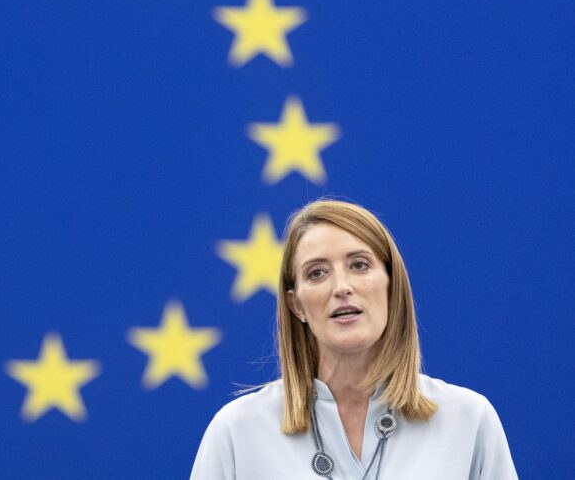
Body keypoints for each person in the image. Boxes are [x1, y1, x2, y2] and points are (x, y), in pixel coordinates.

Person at [190, 199, 517, 479]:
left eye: (359, 265)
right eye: (317, 273)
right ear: (296, 305)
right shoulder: (237, 431)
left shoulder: (468, 420)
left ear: (391, 286)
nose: (341, 287)